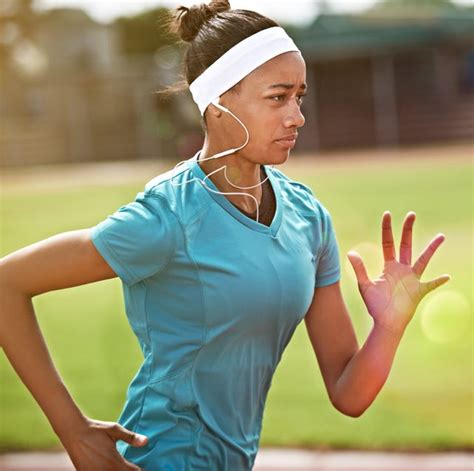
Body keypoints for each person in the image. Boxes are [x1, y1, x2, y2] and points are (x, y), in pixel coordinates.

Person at [0, 1, 451, 470]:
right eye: (277, 98)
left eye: (300, 96)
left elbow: (348, 393)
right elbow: (7, 282)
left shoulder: (307, 217)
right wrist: (73, 431)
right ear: (217, 104)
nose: (296, 116)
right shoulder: (166, 217)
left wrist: (389, 327)